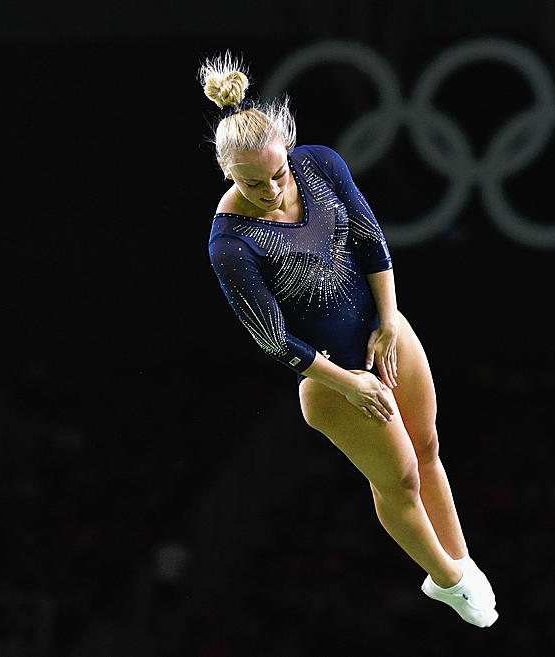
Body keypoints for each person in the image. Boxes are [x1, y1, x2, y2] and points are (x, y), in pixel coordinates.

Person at [201, 52, 498, 628]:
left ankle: (463, 561)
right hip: (330, 377)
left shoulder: (322, 165)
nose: (270, 191)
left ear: (289, 151)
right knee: (400, 477)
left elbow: (369, 239)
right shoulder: (229, 244)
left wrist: (389, 319)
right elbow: (272, 340)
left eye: (278, 174)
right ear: (229, 175)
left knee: (429, 446)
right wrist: (349, 382)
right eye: (251, 183)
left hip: (383, 331)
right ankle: (447, 579)